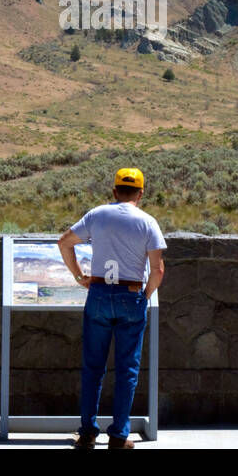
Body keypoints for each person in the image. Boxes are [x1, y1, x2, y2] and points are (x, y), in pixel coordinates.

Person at [58, 166, 166, 449]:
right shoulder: (148, 222)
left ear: (115, 191)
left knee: (93, 367)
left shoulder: (97, 215)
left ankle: (87, 433)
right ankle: (119, 436)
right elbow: (158, 270)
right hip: (131, 295)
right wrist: (145, 294)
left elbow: (64, 242)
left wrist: (79, 276)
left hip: (99, 293)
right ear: (141, 194)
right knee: (127, 369)